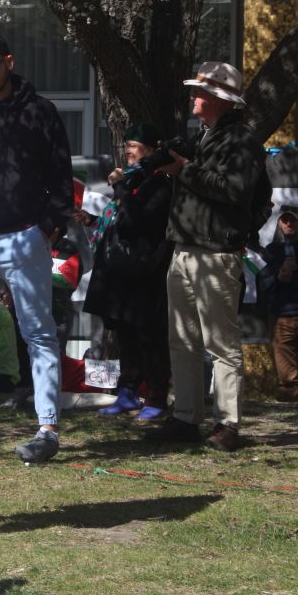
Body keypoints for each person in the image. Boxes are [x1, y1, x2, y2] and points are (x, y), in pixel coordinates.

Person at [0, 32, 73, 464]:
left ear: (8, 61)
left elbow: (61, 174)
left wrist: (47, 229)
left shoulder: (40, 110)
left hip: (26, 236)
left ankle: (47, 428)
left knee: (38, 333)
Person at [153, 61, 268, 452]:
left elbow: (236, 191)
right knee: (182, 339)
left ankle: (227, 422)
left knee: (221, 342)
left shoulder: (242, 141)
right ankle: (186, 416)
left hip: (216, 252)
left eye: (199, 93)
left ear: (219, 98)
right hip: (184, 248)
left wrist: (183, 170)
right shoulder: (204, 137)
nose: (193, 98)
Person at [82, 124, 173, 421]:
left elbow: (138, 220)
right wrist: (92, 220)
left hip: (145, 273)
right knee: (125, 335)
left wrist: (120, 187)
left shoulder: (160, 184)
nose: (128, 151)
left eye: (134, 145)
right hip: (120, 273)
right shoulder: (133, 180)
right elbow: (119, 221)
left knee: (149, 336)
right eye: (127, 145)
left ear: (151, 150)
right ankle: (128, 392)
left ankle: (156, 396)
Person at [258, 205, 298, 403]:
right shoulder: (271, 251)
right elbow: (263, 284)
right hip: (281, 318)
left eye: (293, 220)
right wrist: (280, 276)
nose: (289, 223)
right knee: (286, 380)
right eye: (285, 220)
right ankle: (290, 402)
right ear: (279, 223)